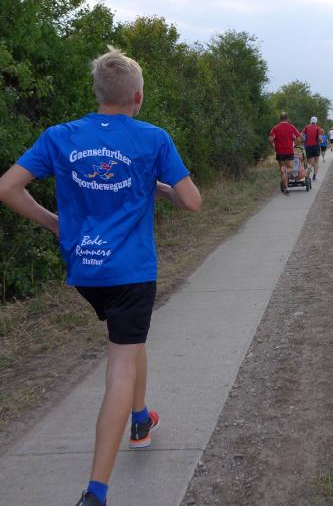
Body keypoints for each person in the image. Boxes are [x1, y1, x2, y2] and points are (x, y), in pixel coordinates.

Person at [0, 47, 202, 506]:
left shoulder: (60, 136)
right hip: (131, 271)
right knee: (120, 365)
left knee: (129, 340)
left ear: (97, 93)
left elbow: (7, 187)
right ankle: (96, 492)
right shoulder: (153, 138)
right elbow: (192, 202)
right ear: (138, 97)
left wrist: (57, 225)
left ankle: (140, 419)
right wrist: (164, 189)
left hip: (86, 270)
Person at [269, 112, 301, 195]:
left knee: (282, 170)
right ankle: (285, 179)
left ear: (280, 118)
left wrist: (273, 146)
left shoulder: (275, 128)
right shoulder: (292, 127)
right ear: (287, 118)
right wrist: (295, 145)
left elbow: (270, 139)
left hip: (279, 152)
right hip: (289, 151)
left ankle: (286, 188)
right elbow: (299, 138)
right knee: (291, 168)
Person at [301, 116, 324, 181]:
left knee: (310, 163)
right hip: (316, 146)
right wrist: (321, 141)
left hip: (308, 146)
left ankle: (308, 175)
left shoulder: (306, 127)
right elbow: (319, 138)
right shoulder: (318, 128)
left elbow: (301, 135)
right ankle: (314, 175)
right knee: (316, 161)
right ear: (316, 121)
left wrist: (304, 140)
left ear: (310, 121)